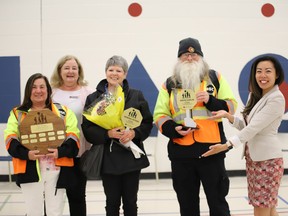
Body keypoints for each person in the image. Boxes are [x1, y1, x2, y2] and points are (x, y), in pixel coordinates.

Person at [153, 37, 238, 216]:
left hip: (212, 150)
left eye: (194, 54)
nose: (190, 58)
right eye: (185, 55)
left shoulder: (215, 78)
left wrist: (211, 101)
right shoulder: (168, 84)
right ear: (179, 59)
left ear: (201, 57)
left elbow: (231, 105)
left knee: (218, 204)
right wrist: (173, 129)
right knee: (187, 206)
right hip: (181, 153)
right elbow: (160, 115)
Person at [202, 55, 285, 216]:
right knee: (269, 208)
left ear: (277, 75)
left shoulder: (276, 98)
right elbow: (248, 125)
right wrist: (228, 116)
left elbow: (253, 128)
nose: (263, 75)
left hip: (268, 162)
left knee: (261, 207)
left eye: (268, 71)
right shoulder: (254, 95)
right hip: (254, 159)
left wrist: (226, 145)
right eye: (259, 71)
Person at [81, 55, 153, 216]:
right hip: (108, 157)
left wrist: (135, 133)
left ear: (125, 74)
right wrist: (107, 133)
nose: (114, 73)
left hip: (131, 158)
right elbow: (87, 128)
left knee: (130, 202)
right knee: (111, 202)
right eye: (111, 69)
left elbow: (147, 123)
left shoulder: (136, 95)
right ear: (105, 72)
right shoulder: (94, 98)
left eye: (118, 70)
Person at [4, 73, 80, 216]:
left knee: (55, 212)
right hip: (29, 170)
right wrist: (26, 154)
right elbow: (10, 139)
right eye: (34, 87)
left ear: (48, 90)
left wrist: (60, 152)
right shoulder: (17, 113)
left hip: (57, 171)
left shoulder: (63, 112)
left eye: (42, 87)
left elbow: (74, 137)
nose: (38, 90)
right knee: (34, 212)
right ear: (28, 90)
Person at [50, 55, 93, 216]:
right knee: (53, 199)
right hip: (53, 155)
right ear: (59, 71)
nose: (70, 71)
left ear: (79, 72)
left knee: (77, 197)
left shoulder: (88, 92)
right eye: (67, 68)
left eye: (74, 68)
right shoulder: (51, 93)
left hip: (79, 153)